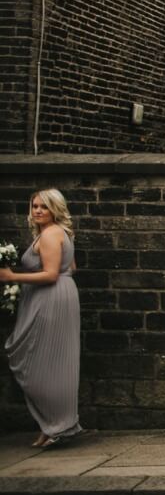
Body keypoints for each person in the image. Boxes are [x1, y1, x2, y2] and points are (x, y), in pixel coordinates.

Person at [2, 189, 83, 448]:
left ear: (54, 210)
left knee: (41, 363)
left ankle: (58, 425)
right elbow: (71, 268)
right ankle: (51, 427)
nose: (37, 210)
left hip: (50, 299)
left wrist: (12, 277)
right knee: (54, 363)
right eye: (34, 206)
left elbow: (50, 275)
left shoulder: (50, 234)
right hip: (59, 296)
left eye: (44, 207)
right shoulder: (60, 233)